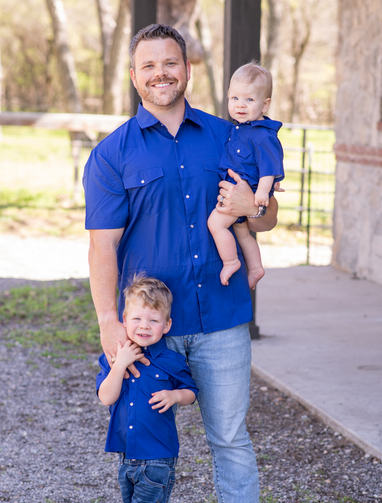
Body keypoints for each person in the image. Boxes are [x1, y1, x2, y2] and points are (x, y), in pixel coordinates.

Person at [83, 23, 279, 503]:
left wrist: (250, 205)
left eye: (170, 62)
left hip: (221, 318)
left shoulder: (228, 136)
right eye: (148, 65)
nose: (161, 73)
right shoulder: (112, 154)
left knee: (230, 440)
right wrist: (109, 321)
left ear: (187, 70)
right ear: (133, 76)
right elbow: (101, 245)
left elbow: (266, 219)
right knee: (145, 453)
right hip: (150, 328)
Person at [96, 275, 198, 503]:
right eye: (137, 318)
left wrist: (174, 395)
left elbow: (191, 393)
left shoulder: (171, 360)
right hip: (125, 455)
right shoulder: (112, 358)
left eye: (153, 320)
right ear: (124, 319)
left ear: (167, 325)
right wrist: (120, 363)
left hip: (158, 457)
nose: (144, 325)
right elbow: (106, 397)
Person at [208, 62, 285, 288]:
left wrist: (264, 189)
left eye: (249, 100)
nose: (241, 105)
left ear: (265, 105)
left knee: (216, 224)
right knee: (242, 235)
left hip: (247, 193)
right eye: (235, 99)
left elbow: (270, 164)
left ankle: (230, 261)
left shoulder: (263, 135)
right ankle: (256, 268)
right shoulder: (240, 128)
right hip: (240, 190)